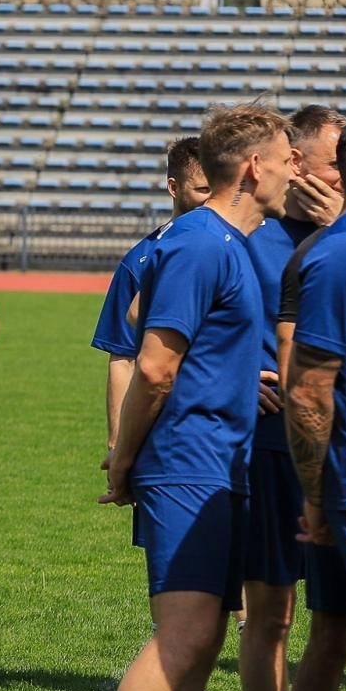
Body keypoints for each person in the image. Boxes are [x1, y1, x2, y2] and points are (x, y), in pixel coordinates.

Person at [69, 103, 293, 691]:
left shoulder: (223, 242)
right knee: (185, 635)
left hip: (219, 462)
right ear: (254, 169)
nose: (298, 170)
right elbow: (155, 364)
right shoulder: (202, 241)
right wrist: (124, 459)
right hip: (189, 463)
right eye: (289, 157)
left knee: (199, 648)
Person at [239, 105, 346, 691]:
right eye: (333, 165)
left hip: (345, 458)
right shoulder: (253, 236)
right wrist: (234, 370)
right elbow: (179, 322)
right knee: (273, 615)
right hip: (270, 451)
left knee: (337, 626)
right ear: (299, 165)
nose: (344, 178)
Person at [274, 114, 346, 691]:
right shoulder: (333, 255)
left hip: (338, 484)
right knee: (339, 642)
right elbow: (307, 384)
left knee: (334, 635)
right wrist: (313, 494)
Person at [91, 137, 210, 454]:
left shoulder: (238, 247)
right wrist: (117, 442)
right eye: (203, 190)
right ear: (174, 188)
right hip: (159, 433)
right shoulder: (139, 262)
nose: (212, 200)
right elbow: (122, 357)